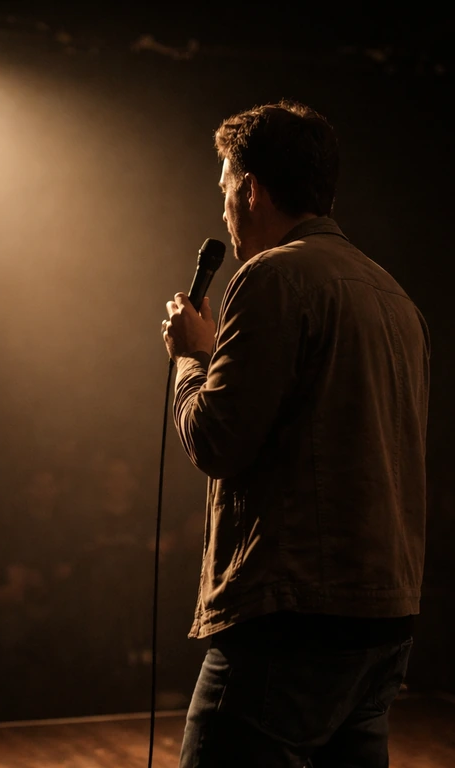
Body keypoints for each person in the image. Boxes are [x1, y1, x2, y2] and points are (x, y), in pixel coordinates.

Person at [162, 101, 430, 767]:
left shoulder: (271, 276)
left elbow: (216, 442)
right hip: (385, 610)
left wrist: (194, 357)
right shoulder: (396, 298)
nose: (224, 204)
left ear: (250, 188)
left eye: (225, 185)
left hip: (292, 613)